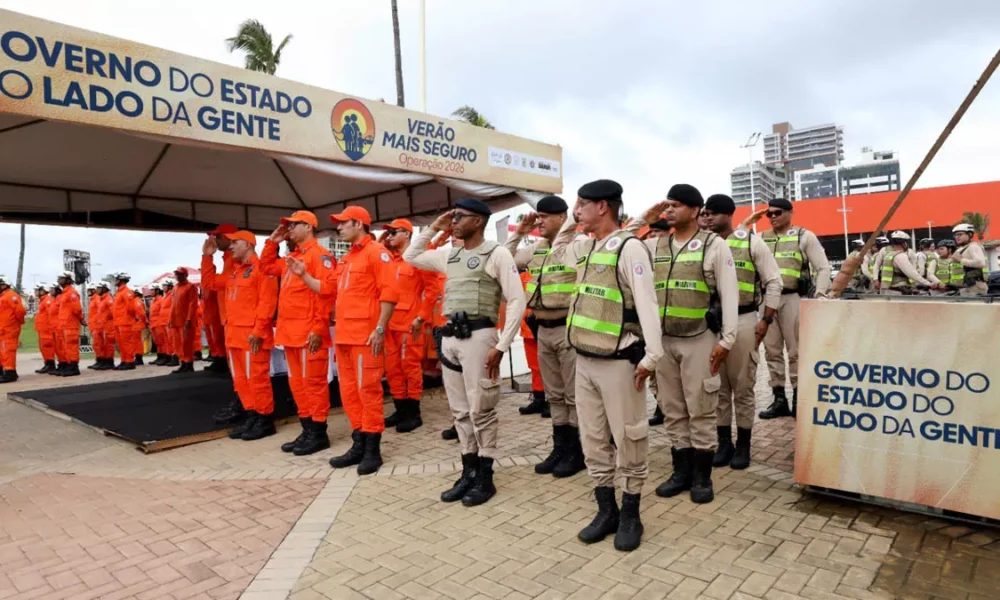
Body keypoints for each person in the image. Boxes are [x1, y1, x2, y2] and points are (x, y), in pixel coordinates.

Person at [550, 180, 663, 552]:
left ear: (603, 206)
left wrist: (652, 357)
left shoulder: (630, 248)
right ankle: (606, 510)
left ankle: (631, 513)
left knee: (630, 438)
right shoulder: (587, 246)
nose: (575, 210)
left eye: (581, 204)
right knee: (594, 441)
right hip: (584, 360)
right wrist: (571, 218)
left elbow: (647, 305)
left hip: (619, 363)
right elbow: (558, 248)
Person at [404, 199, 526, 507]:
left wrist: (501, 345)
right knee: (459, 410)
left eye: (460, 216)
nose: (454, 221)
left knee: (481, 407)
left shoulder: (496, 253)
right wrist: (434, 226)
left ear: (479, 221)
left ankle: (485, 474)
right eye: (453, 216)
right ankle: (468, 469)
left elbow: (516, 300)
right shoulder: (450, 255)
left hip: (480, 336)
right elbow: (411, 255)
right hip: (451, 336)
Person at [631, 186, 738, 506]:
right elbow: (619, 243)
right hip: (664, 342)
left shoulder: (714, 245)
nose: (670, 210)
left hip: (699, 340)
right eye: (668, 206)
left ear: (694, 210)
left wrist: (727, 339)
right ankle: (681, 472)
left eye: (677, 205)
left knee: (701, 409)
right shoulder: (654, 245)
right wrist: (643, 218)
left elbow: (730, 294)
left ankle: (702, 476)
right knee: (674, 410)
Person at [696, 194, 781, 471]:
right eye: (704, 213)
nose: (706, 217)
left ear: (728, 215)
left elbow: (773, 281)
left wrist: (766, 319)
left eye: (712, 213)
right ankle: (724, 443)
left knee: (742, 386)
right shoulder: (703, 245)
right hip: (713, 324)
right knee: (717, 387)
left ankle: (743, 444)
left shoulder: (750, 242)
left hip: (744, 319)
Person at [505, 195, 587, 478]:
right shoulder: (538, 248)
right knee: (554, 395)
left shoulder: (579, 245)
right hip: (543, 330)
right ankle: (560, 447)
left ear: (562, 218)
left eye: (544, 217)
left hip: (569, 329)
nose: (538, 221)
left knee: (574, 394)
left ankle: (578, 451)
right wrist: (520, 233)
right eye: (536, 216)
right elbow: (505, 260)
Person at [318, 206, 397, 475]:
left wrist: (379, 328)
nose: (338, 228)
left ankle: (373, 450)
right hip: (344, 337)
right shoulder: (348, 258)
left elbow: (389, 294)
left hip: (366, 337)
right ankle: (359, 444)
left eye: (343, 224)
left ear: (359, 224)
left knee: (368, 392)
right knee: (349, 393)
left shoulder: (377, 254)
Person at [260, 210, 337, 456]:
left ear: (309, 227)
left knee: (313, 384)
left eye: (294, 225)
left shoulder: (320, 256)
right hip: (290, 333)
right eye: (288, 226)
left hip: (308, 332)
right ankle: (307, 428)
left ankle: (318, 433)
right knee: (297, 384)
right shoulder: (292, 258)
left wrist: (318, 327)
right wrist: (272, 242)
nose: (289, 230)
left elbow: (325, 295)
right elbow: (265, 267)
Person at [752, 198, 831, 419]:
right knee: (772, 351)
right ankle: (779, 400)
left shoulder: (804, 236)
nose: (773, 217)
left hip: (793, 298)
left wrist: (821, 294)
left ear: (790, 212)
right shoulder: (760, 238)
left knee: (796, 351)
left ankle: (799, 399)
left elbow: (823, 267)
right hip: (767, 301)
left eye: (778, 212)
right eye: (769, 214)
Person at [202, 230, 280, 440]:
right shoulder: (235, 272)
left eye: (235, 242)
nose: (231, 246)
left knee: (257, 380)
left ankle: (264, 419)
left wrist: (258, 331)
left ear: (248, 245)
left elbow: (267, 303)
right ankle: (252, 415)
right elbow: (209, 283)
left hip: (251, 336)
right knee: (241, 380)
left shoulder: (261, 269)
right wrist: (207, 257)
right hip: (233, 336)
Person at [382, 218, 441, 434]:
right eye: (388, 233)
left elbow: (433, 289)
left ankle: (413, 413)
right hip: (389, 324)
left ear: (407, 234)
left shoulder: (417, 259)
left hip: (409, 324)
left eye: (393, 232)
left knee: (410, 368)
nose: (389, 236)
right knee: (393, 369)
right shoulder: (389, 261)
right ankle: (400, 408)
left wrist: (421, 317)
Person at [169, 267, 199, 373]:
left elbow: (193, 304)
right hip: (176, 320)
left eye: (180, 274)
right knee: (178, 344)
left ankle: (189, 363)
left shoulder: (191, 287)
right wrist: (170, 319)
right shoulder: (175, 287)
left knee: (187, 343)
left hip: (185, 321)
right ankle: (183, 362)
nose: (178, 276)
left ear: (185, 275)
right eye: (177, 274)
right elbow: (173, 305)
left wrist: (189, 319)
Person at [54, 271, 83, 377]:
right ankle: (68, 365)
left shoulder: (72, 293)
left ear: (68, 280)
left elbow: (77, 309)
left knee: (71, 346)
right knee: (66, 347)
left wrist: (81, 318)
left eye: (61, 278)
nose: (58, 280)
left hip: (71, 325)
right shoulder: (64, 293)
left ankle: (74, 367)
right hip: (64, 325)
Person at [0, 276, 26, 383]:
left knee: (8, 350)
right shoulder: (3, 297)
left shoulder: (11, 296)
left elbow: (20, 311)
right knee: (3, 351)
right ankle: (5, 370)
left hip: (9, 329)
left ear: (5, 285)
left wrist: (16, 323)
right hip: (3, 328)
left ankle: (10, 372)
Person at [952, 223, 988, 296]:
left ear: (970, 234)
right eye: (955, 235)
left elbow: (980, 263)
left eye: (960, 234)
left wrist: (960, 260)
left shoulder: (973, 246)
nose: (957, 237)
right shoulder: (964, 248)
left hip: (974, 286)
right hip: (966, 285)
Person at [112, 272, 138, 371]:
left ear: (121, 280)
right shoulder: (119, 292)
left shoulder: (126, 292)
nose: (115, 280)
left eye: (116, 279)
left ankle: (130, 361)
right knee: (121, 343)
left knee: (127, 342)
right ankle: (124, 360)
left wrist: (129, 318)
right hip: (119, 321)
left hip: (125, 321)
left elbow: (131, 308)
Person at [33, 283, 58, 374]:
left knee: (47, 347)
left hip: (47, 328)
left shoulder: (48, 300)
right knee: (43, 347)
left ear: (43, 291)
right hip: (42, 328)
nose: (35, 292)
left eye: (37, 290)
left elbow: (52, 314)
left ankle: (50, 365)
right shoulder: (43, 300)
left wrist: (50, 326)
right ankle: (47, 363)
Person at [92, 282, 116, 370]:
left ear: (104, 289)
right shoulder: (102, 299)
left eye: (99, 288)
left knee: (108, 344)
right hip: (103, 325)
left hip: (108, 325)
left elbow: (113, 312)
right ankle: (104, 361)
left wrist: (107, 319)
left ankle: (109, 362)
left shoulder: (108, 299)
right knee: (103, 344)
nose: (97, 290)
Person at [159, 279, 179, 367]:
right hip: (164, 321)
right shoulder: (166, 296)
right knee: (167, 340)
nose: (163, 287)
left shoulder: (172, 295)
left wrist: (172, 319)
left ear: (170, 286)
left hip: (169, 321)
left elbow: (174, 307)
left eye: (164, 286)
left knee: (172, 340)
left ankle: (175, 357)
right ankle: (169, 356)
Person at [131, 286, 148, 364]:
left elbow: (141, 313)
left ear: (136, 293)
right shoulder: (136, 300)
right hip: (137, 323)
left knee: (137, 341)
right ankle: (138, 357)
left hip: (137, 324)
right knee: (136, 341)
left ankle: (139, 358)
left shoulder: (137, 301)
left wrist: (137, 319)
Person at [86, 284, 101, 369]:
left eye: (90, 290)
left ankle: (100, 360)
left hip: (97, 325)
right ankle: (98, 360)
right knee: (95, 344)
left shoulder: (97, 299)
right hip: (93, 325)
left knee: (97, 344)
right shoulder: (92, 299)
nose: (88, 292)